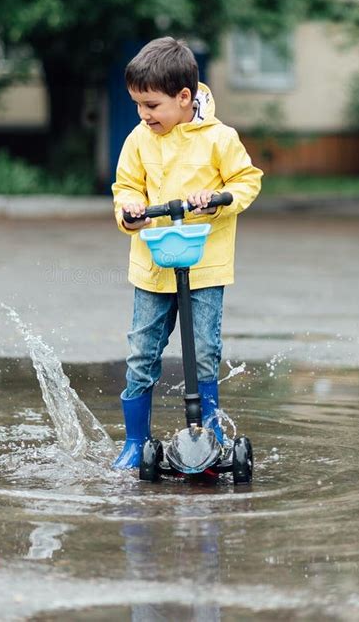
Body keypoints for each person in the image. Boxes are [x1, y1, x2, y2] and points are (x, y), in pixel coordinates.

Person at [111, 36, 263, 468]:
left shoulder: (219, 138)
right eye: (138, 104)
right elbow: (125, 189)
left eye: (152, 105)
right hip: (152, 268)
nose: (144, 114)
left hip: (204, 267)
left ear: (184, 97)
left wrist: (218, 197)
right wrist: (131, 212)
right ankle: (135, 442)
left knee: (204, 354)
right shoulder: (139, 140)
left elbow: (246, 181)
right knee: (141, 355)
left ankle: (210, 435)